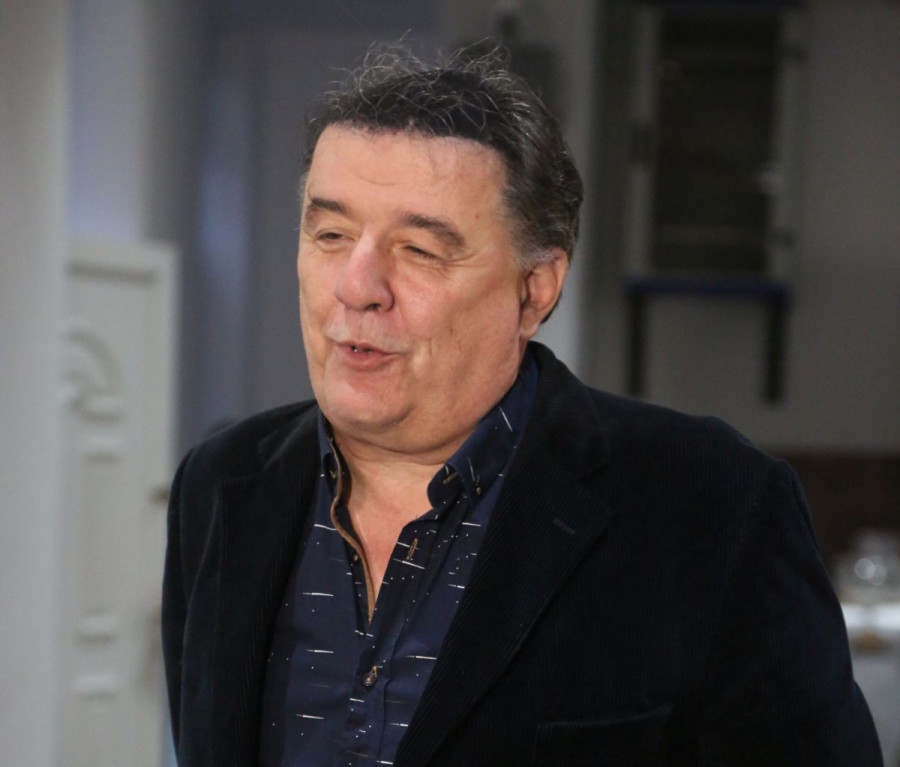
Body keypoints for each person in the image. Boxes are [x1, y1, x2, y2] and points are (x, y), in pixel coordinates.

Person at [162, 46, 882, 767]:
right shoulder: (220, 487)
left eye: (418, 250)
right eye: (330, 235)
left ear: (534, 290)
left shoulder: (714, 506)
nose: (357, 286)